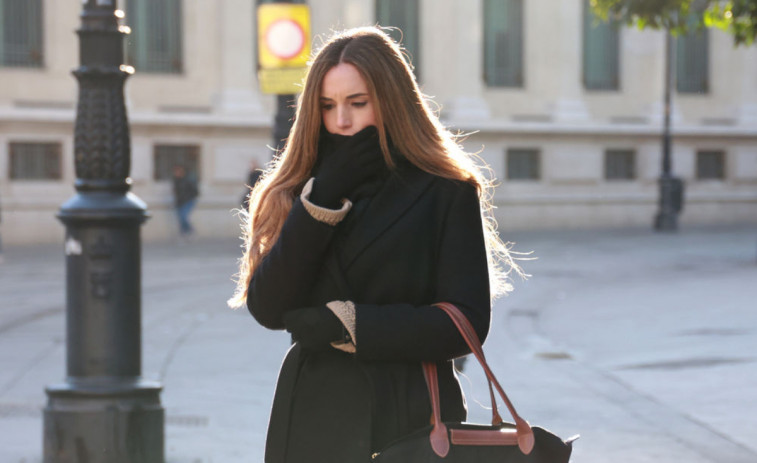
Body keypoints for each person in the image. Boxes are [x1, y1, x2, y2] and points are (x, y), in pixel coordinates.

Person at [228, 26, 521, 463]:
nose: (341, 121)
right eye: (328, 106)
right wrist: (321, 202)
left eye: (357, 103)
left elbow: (467, 323)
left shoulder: (446, 190)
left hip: (410, 414)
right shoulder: (303, 187)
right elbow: (268, 306)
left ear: (391, 101)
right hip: (314, 416)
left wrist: (350, 325)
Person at [172, 164, 199, 238]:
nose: (176, 173)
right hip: (179, 202)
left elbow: (195, 191)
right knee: (180, 219)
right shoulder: (176, 180)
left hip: (188, 201)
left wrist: (189, 197)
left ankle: (191, 231)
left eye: (177, 171)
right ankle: (183, 234)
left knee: (183, 217)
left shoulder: (188, 179)